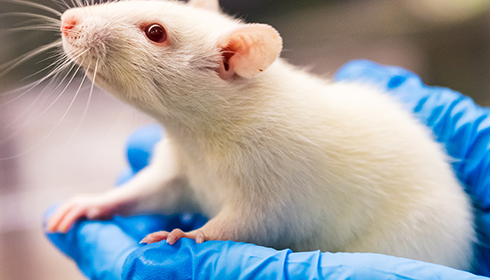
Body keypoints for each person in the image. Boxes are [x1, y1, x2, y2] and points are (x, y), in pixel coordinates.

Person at [45, 60, 490, 279]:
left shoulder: (269, 130)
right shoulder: (188, 130)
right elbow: (173, 181)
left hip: (403, 240)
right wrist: (110, 203)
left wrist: (203, 236)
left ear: (230, 64)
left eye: (156, 34)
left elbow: (269, 213)